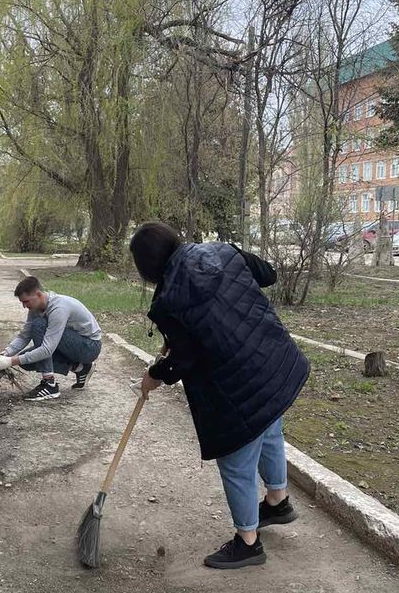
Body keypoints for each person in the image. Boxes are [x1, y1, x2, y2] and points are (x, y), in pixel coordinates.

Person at [129, 222, 310, 569]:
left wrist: (154, 375)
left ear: (147, 267)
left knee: (236, 461)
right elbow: (266, 274)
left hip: (237, 384)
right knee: (270, 430)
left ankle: (248, 543)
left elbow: (185, 360)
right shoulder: (221, 250)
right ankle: (277, 501)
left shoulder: (169, 301)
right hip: (273, 361)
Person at [0, 276, 102, 401]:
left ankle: (50, 385)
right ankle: (81, 368)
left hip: (89, 346)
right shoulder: (36, 308)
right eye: (22, 302)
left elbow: (47, 350)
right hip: (71, 345)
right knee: (27, 361)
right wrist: (6, 353)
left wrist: (10, 362)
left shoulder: (59, 308)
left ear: (38, 294)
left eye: (26, 302)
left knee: (39, 326)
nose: (24, 306)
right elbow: (24, 335)